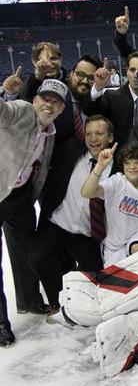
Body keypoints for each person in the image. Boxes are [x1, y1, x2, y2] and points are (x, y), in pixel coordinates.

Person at [0, 78, 69, 346]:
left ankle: (29, 301)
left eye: (56, 102)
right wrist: (5, 92)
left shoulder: (50, 133)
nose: (49, 105)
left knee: (29, 253)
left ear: (61, 109)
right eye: (46, 99)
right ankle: (1, 323)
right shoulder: (19, 110)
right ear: (35, 100)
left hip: (19, 198)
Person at [30, 115, 113, 312]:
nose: (93, 139)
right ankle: (59, 302)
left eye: (99, 134)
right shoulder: (70, 151)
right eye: (89, 133)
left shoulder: (119, 167)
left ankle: (81, 304)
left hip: (88, 235)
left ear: (110, 138)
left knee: (96, 277)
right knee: (38, 258)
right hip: (59, 224)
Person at [81, 142, 138, 267]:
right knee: (117, 283)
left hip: (137, 238)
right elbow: (87, 192)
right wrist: (100, 167)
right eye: (127, 163)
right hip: (113, 246)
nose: (132, 166)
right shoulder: (118, 181)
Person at [88, 52, 138, 149]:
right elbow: (92, 112)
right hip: (122, 160)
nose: (136, 74)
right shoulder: (113, 97)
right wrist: (98, 88)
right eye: (132, 70)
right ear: (127, 71)